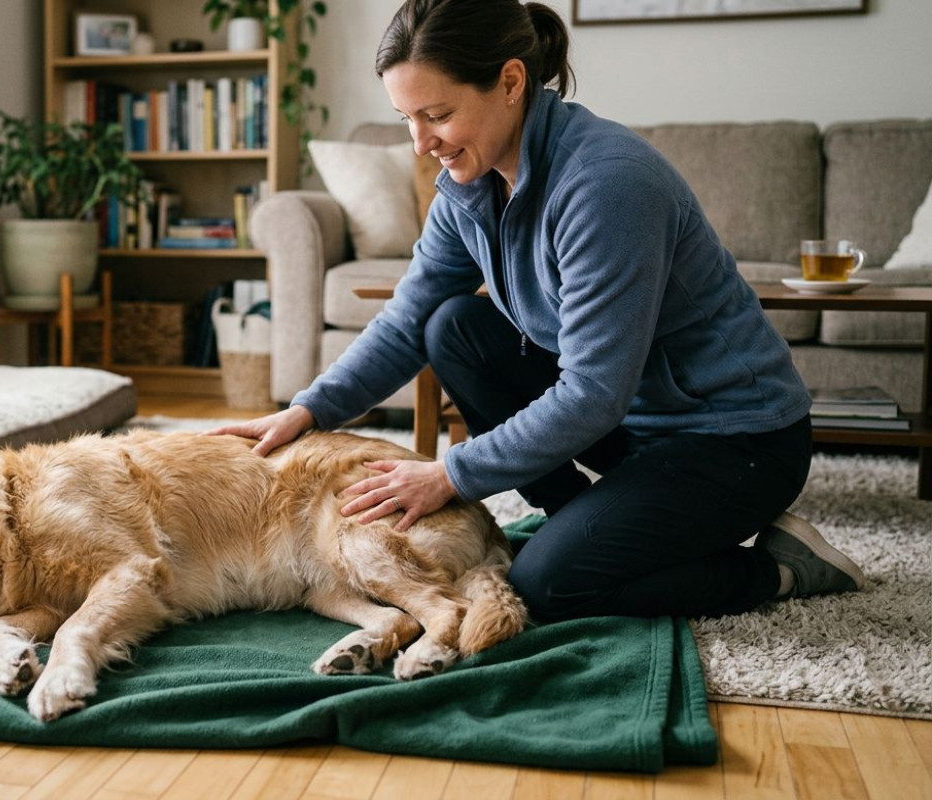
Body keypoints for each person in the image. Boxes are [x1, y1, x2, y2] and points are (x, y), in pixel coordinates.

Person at [208, 0, 866, 621]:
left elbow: (593, 392)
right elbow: (407, 321)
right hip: (633, 426)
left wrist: (450, 474)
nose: (420, 142)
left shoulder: (607, 185)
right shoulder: (469, 185)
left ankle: (781, 569)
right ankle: (581, 519)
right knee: (453, 327)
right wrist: (308, 410)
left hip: (733, 440)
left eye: (436, 114)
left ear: (511, 82)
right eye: (407, 117)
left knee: (548, 585)